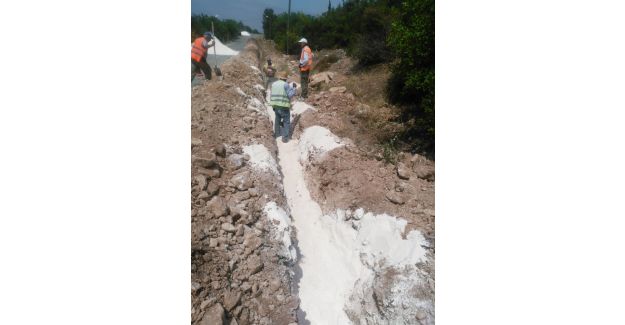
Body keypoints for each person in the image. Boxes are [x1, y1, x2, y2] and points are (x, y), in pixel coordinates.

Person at [270, 71, 297, 143]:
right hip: (284, 106)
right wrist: (294, 88)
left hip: (275, 106)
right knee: (286, 122)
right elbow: (290, 95)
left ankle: (277, 135)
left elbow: (272, 94)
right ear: (285, 78)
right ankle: (285, 138)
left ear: (279, 77)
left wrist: (273, 105)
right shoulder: (285, 85)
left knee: (277, 120)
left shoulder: (274, 84)